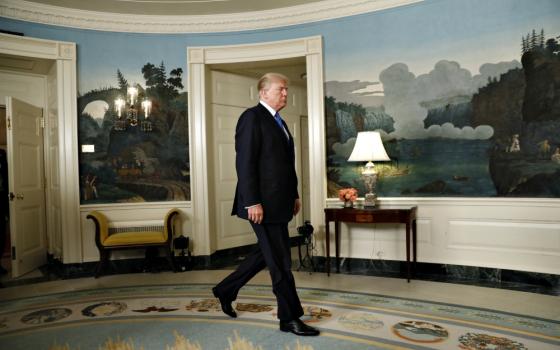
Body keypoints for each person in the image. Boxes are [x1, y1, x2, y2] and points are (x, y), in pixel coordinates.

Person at [212, 73, 319, 337]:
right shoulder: (252, 118)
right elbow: (245, 163)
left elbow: (284, 166)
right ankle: (289, 317)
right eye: (281, 89)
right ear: (263, 93)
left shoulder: (280, 122)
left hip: (280, 202)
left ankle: (225, 290)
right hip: (261, 205)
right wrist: (252, 202)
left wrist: (294, 195)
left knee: (266, 253)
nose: (285, 93)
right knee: (281, 261)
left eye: (286, 89)